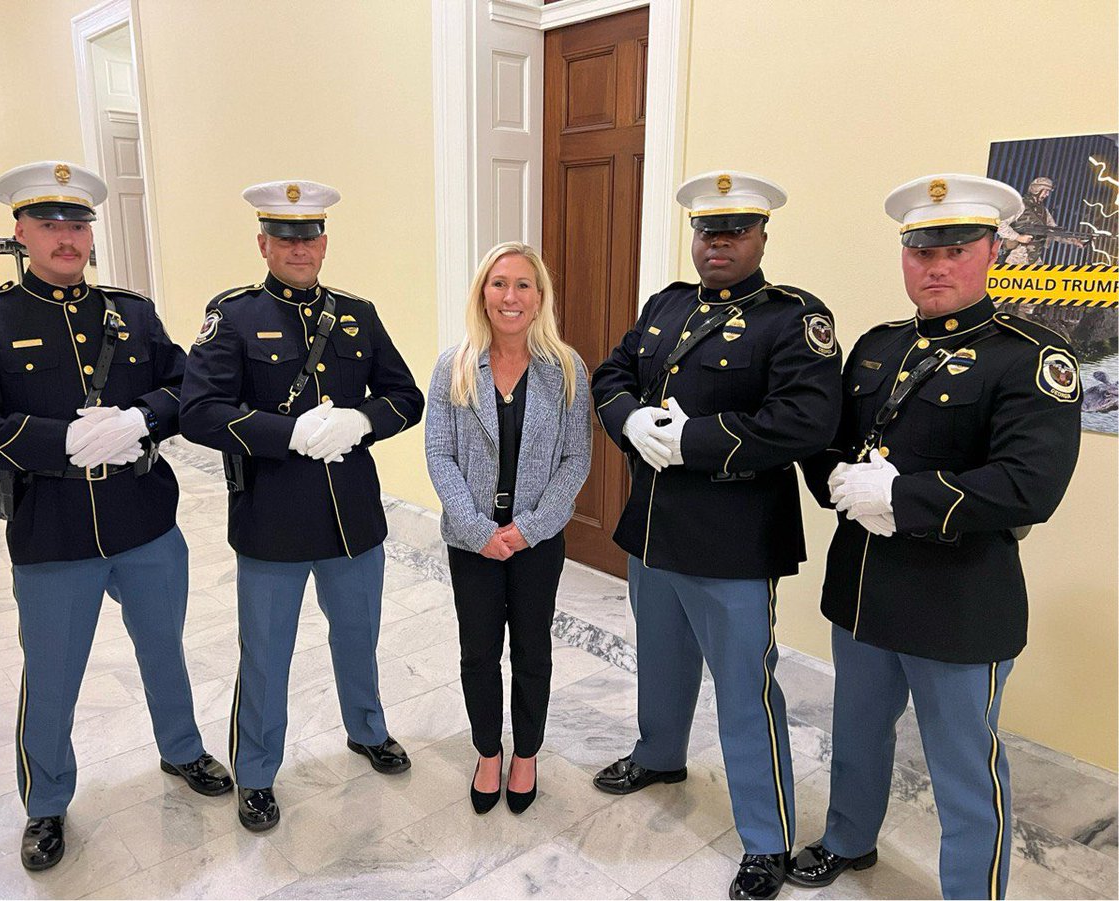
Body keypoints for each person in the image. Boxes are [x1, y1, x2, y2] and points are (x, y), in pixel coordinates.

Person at [0, 161, 231, 872]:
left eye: (77, 224)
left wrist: (142, 416)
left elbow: (185, 383)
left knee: (164, 647)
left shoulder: (131, 311)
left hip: (146, 518)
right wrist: (56, 442)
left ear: (91, 234)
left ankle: (182, 750)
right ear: (21, 231)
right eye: (50, 224)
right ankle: (46, 800)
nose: (66, 237)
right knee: (54, 671)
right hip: (53, 530)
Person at [790, 174, 1082, 900]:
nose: (936, 265)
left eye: (956, 249)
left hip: (958, 603)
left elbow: (1029, 485)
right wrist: (842, 481)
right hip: (862, 591)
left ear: (992, 252)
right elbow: (832, 443)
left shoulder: (1031, 357)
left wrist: (901, 495)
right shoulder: (878, 347)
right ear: (904, 255)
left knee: (963, 768)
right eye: (921, 250)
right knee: (856, 734)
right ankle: (850, 839)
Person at [591, 171, 843, 900]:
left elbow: (805, 421)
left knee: (744, 692)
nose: (719, 242)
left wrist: (694, 439)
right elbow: (613, 372)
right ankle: (659, 754)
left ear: (762, 236)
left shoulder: (794, 318)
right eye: (708, 230)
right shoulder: (667, 305)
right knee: (659, 665)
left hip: (734, 542)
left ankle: (766, 837)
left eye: (735, 230)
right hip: (653, 528)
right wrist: (631, 419)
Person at [178, 180, 424, 832]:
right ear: (263, 242)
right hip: (271, 517)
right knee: (265, 652)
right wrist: (285, 433)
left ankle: (366, 729)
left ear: (323, 241)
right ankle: (255, 772)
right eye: (284, 236)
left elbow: (406, 396)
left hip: (353, 518)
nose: (299, 247)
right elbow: (198, 411)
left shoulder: (356, 314)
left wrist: (359, 422)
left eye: (309, 235)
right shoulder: (231, 316)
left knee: (357, 637)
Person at [425, 242, 591, 815]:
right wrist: (478, 530)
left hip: (536, 541)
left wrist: (530, 528)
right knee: (478, 651)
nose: (510, 297)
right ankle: (488, 752)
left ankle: (527, 754)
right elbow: (439, 454)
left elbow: (576, 459)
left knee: (532, 648)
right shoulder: (453, 366)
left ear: (539, 297)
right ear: (482, 293)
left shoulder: (567, 369)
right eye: (499, 284)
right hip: (472, 540)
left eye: (523, 285)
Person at [997, 176, 1083, 265]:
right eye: (1045, 191)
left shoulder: (1044, 211)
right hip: (1015, 258)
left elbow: (1053, 231)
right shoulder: (1020, 205)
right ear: (1037, 189)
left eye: (1048, 192)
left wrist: (1074, 240)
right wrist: (1018, 237)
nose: (1047, 195)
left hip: (1034, 258)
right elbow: (1000, 224)